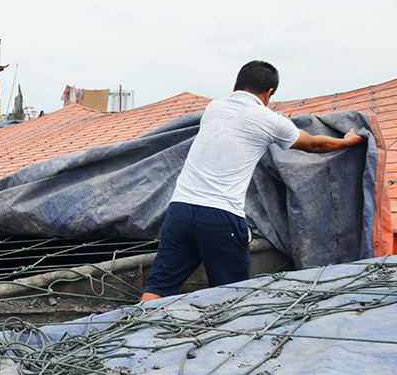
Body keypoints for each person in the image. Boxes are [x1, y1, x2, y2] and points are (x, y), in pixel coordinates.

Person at [140, 60, 364, 302]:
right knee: (231, 297)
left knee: (160, 286)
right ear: (269, 94)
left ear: (235, 85)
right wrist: (347, 141)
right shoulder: (269, 120)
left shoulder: (214, 108)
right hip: (220, 217)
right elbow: (313, 143)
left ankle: (134, 332)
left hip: (180, 211)